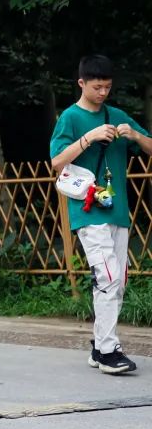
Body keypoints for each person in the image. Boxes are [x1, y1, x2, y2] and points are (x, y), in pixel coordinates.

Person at [50, 55, 152, 375]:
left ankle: (99, 347)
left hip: (117, 210)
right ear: (81, 83)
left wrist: (134, 135)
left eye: (107, 87)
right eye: (97, 87)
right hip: (87, 210)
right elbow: (56, 162)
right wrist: (88, 138)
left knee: (116, 280)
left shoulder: (118, 115)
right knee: (107, 275)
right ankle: (109, 350)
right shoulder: (70, 117)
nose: (103, 93)